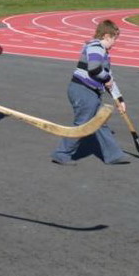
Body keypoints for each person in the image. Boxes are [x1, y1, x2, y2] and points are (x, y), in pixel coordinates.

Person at [51, 19, 129, 166]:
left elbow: (109, 78)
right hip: (82, 90)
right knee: (83, 124)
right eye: (114, 39)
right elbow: (94, 69)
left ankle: (113, 155)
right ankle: (61, 154)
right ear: (106, 36)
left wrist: (119, 99)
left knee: (99, 123)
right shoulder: (95, 47)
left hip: (90, 92)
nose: (115, 43)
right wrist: (106, 78)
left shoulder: (103, 52)